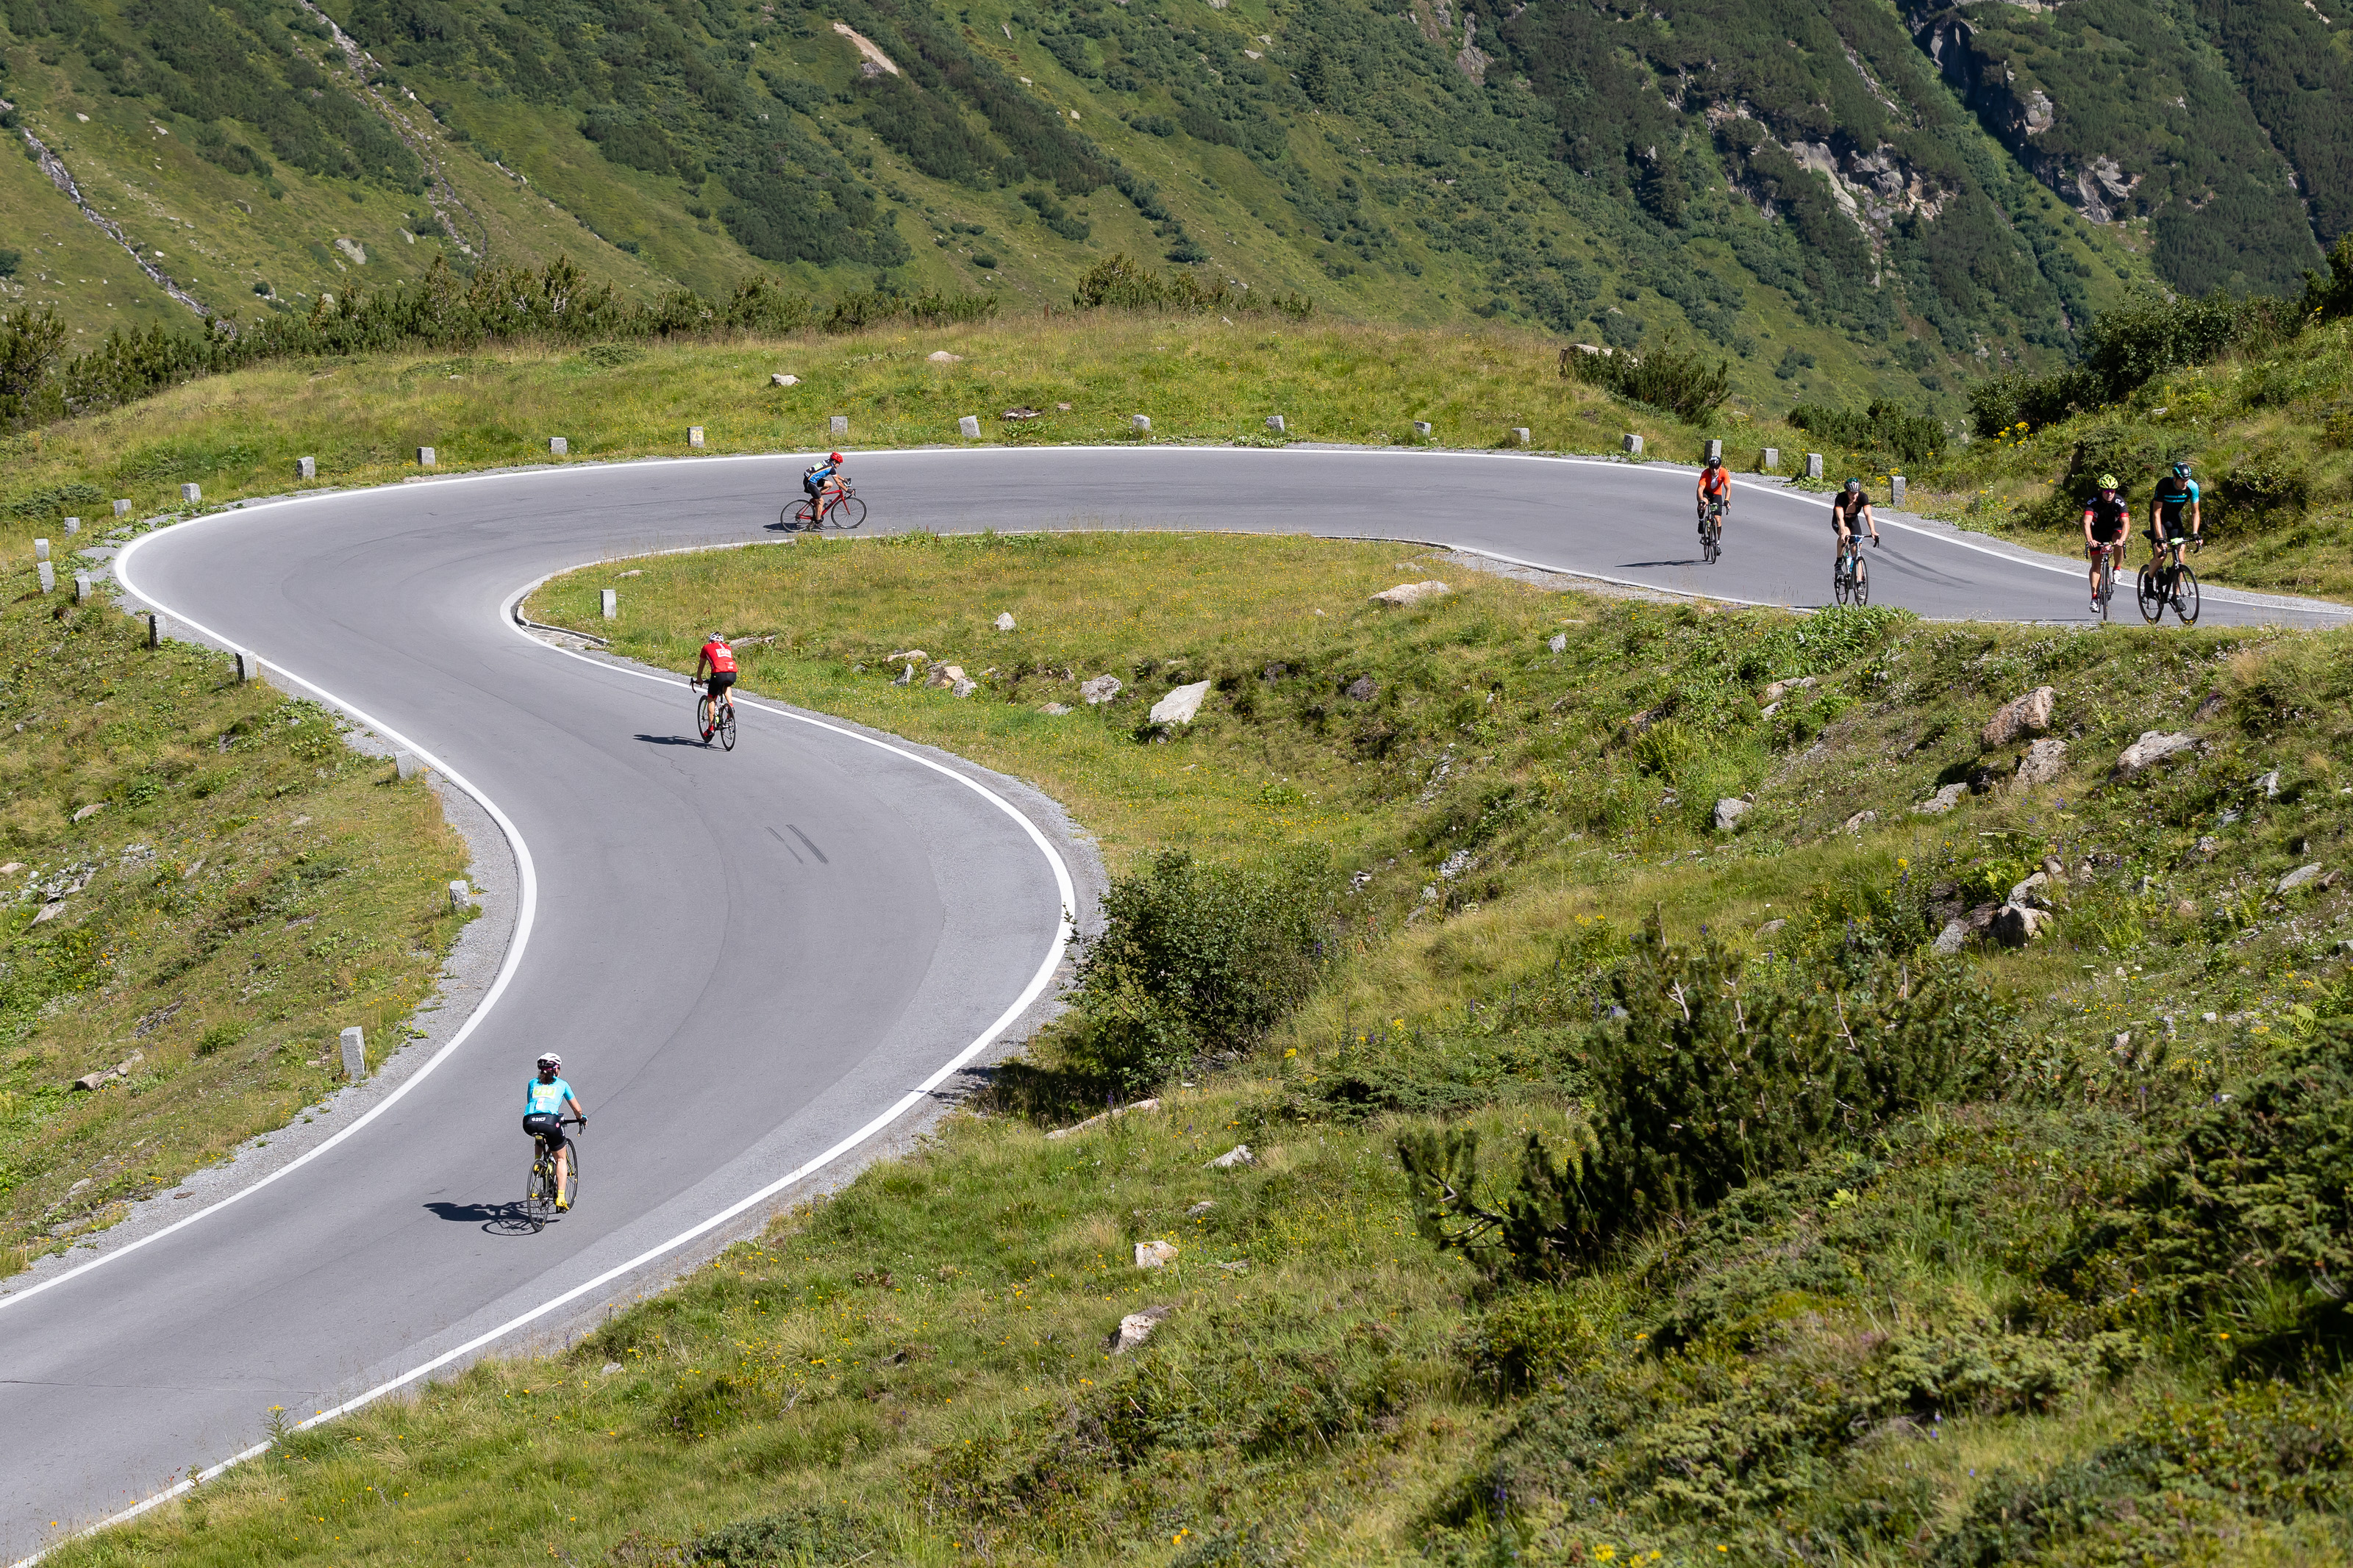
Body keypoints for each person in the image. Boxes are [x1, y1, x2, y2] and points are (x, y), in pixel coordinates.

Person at [523, 1053, 586, 1211]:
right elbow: (577, 1109)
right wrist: (581, 1118)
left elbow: (532, 1103)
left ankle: (538, 1161)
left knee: (539, 1134)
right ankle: (561, 1198)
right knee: (561, 1160)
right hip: (551, 1123)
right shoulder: (562, 1084)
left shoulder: (532, 1083)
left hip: (529, 1122)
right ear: (556, 1070)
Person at [2082, 473, 2131, 611]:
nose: (2110, 494)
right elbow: (2086, 522)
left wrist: (2122, 540)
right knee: (2096, 565)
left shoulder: (2119, 502)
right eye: (2107, 491)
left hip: (2113, 529)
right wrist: (2090, 540)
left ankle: (2117, 569)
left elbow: (2126, 523)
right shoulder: (2093, 501)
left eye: (2112, 491)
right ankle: (2094, 598)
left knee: (2119, 541)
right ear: (2101, 490)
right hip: (2097, 531)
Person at [2149, 461, 2201, 573]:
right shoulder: (2164, 485)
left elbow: (2195, 512)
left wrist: (2195, 533)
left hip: (2174, 518)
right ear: (2174, 478)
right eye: (2182, 480)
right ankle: (2148, 580)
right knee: (2161, 556)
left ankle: (2176, 591)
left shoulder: (2193, 487)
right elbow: (2156, 513)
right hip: (2160, 518)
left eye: (2187, 480)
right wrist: (2160, 538)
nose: (2185, 483)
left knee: (2180, 559)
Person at [1831, 478, 1879, 570]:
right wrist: (1842, 531)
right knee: (1847, 534)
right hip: (1840, 521)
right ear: (1847, 492)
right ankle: (1839, 561)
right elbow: (1840, 518)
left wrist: (1873, 531)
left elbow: (1868, 515)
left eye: (1856, 493)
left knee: (1857, 550)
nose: (1854, 496)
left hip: (1853, 521)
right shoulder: (1841, 498)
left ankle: (1859, 580)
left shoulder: (1863, 497)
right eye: (1851, 493)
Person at [696, 633, 737, 728]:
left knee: (711, 699)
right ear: (722, 642)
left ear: (710, 641)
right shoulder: (727, 647)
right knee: (727, 685)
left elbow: (701, 665)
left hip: (718, 674)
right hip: (732, 673)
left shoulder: (706, 647)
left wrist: (699, 678)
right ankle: (731, 705)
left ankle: (710, 729)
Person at [800, 451, 846, 526]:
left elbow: (835, 474)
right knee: (821, 501)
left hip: (808, 479)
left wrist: (844, 479)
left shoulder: (827, 462)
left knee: (830, 484)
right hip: (810, 483)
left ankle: (816, 499)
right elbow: (838, 483)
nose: (839, 465)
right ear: (834, 461)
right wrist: (847, 490)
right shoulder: (831, 468)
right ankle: (817, 523)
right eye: (839, 463)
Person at [1695, 454, 1730, 539]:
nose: (1714, 470)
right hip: (1705, 492)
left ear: (1720, 467)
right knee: (1703, 504)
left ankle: (1717, 542)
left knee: (1717, 520)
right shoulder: (1705, 473)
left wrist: (1727, 500)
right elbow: (1700, 489)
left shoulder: (1724, 472)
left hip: (1716, 493)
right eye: (1712, 468)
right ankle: (1701, 521)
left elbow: (1728, 488)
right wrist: (1701, 501)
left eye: (1716, 468)